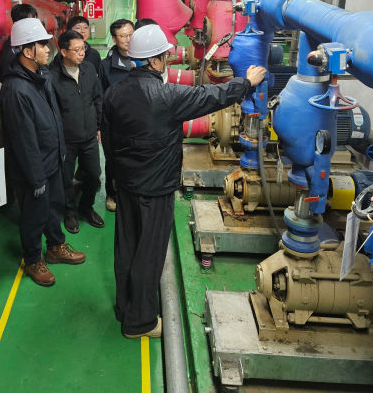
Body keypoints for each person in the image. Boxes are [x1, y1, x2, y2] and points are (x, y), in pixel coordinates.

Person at [103, 25, 265, 338]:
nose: (167, 60)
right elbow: (210, 96)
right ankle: (140, 322)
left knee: (127, 247)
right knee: (149, 253)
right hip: (155, 188)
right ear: (154, 61)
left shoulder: (114, 93)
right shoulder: (167, 96)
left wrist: (115, 179)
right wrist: (246, 83)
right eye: (164, 56)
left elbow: (108, 141)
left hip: (126, 184)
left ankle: (126, 307)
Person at [0, 18, 86, 287]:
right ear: (28, 51)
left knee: (53, 207)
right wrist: (36, 179)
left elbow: (53, 117)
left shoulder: (41, 76)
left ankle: (56, 247)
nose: (49, 49)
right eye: (43, 45)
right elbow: (23, 142)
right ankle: (33, 259)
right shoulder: (16, 90)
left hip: (51, 161)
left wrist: (60, 152)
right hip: (32, 171)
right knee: (33, 216)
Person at [49, 30, 105, 234]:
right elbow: (51, 111)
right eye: (77, 50)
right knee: (65, 179)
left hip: (89, 136)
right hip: (66, 140)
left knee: (94, 175)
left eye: (84, 48)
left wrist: (98, 126)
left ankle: (86, 207)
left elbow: (97, 98)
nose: (82, 53)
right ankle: (70, 212)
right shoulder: (52, 76)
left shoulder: (89, 69)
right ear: (63, 51)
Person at [99, 18, 135, 212]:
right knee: (113, 160)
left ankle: (133, 194)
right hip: (114, 124)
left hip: (139, 121)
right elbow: (100, 97)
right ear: (114, 39)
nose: (128, 39)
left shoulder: (145, 59)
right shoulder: (106, 66)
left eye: (131, 34)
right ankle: (112, 194)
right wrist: (100, 125)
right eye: (123, 36)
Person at [0, 3, 38, 80]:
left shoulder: (31, 40)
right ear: (17, 23)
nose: (34, 25)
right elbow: (9, 72)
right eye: (31, 21)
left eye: (35, 20)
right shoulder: (12, 47)